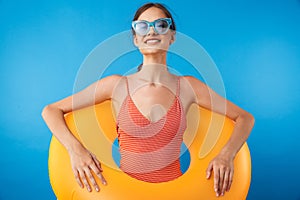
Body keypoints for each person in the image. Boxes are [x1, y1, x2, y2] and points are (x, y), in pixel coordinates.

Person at [42, 2, 254, 197]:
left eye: (161, 25)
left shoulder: (188, 87)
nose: (151, 30)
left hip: (177, 194)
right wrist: (76, 150)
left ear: (172, 37)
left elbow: (245, 118)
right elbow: (51, 110)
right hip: (122, 194)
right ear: (135, 39)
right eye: (142, 26)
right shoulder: (115, 86)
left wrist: (226, 154)